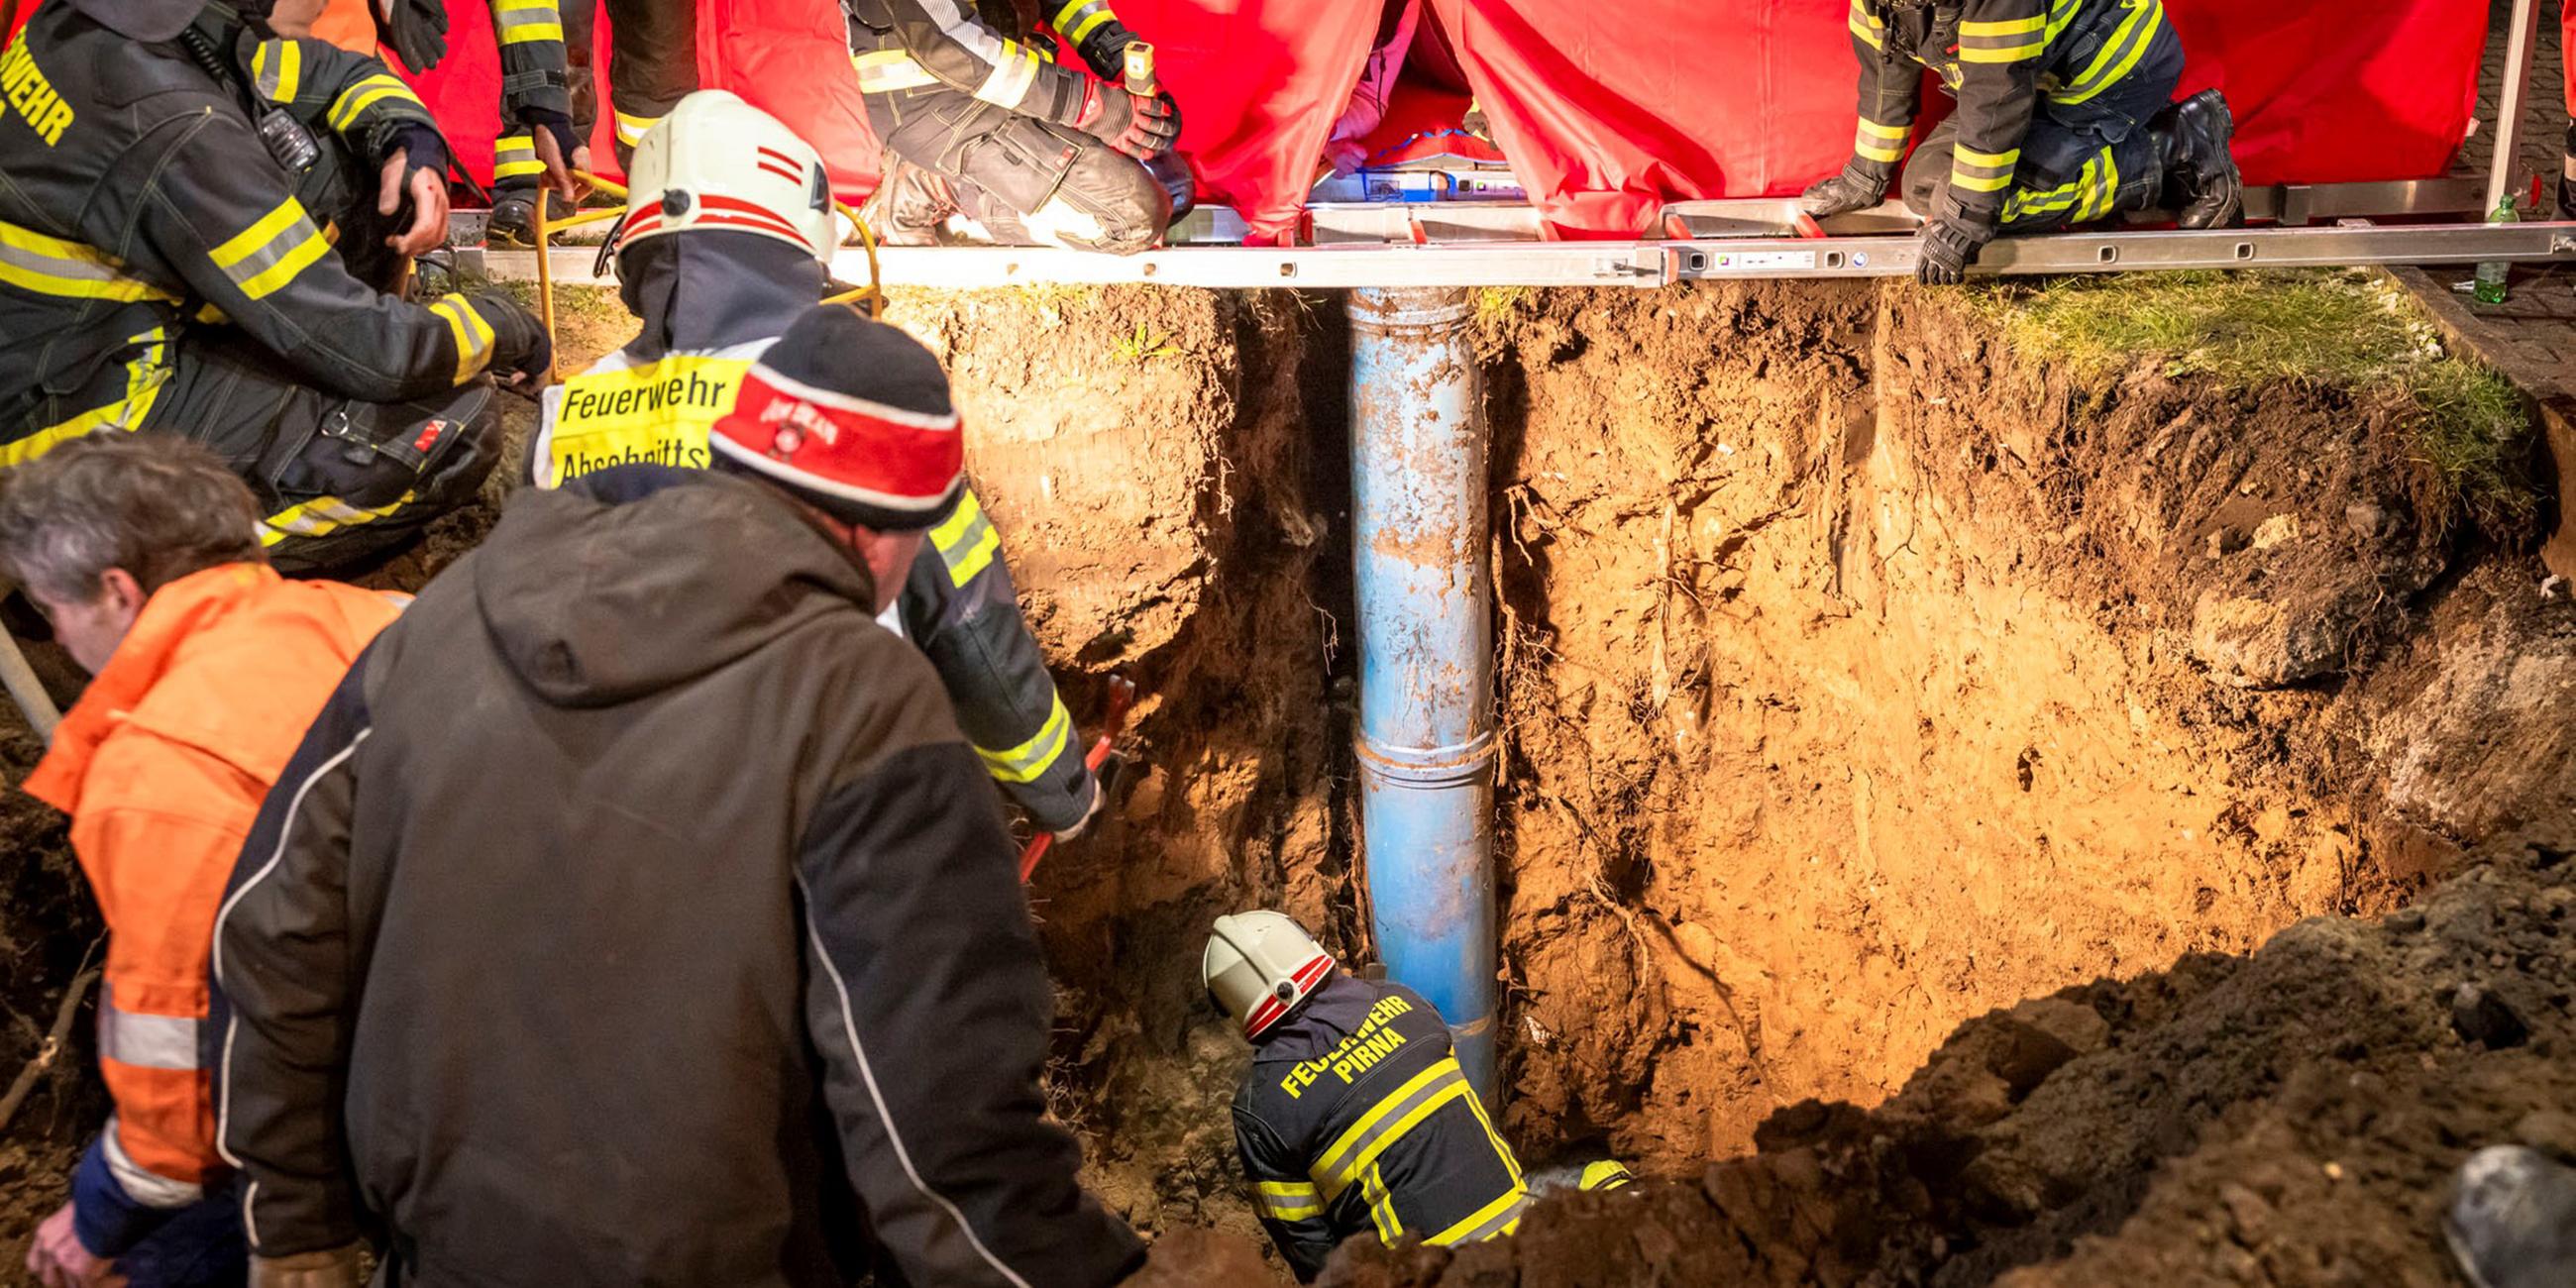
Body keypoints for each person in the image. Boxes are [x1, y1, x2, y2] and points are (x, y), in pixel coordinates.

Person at [210, 305, 1146, 1287]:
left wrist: (296, 1223)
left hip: (443, 1249)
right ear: (885, 533)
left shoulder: (445, 617)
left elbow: (274, 931)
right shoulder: (862, 702)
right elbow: (938, 1120)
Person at [525, 90, 1106, 839]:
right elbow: (973, 640)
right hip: (816, 830)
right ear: (796, 241)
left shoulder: (567, 414)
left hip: (611, 827)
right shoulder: (848, 410)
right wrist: (1065, 793)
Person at [1, 434, 405, 1288]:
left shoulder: (157, 772)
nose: (60, 639)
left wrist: (102, 1213)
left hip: (370, 1090)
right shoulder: (393, 617)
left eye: (51, 610)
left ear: (116, 592)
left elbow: (181, 1063)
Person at [0, 0, 550, 572]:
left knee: (341, 164)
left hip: (65, 356)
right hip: (70, 432)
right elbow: (371, 350)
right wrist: (505, 326)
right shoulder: (177, 120)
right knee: (450, 431)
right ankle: (91, 563)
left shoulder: (115, 24)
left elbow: (335, 73)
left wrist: (411, 140)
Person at [1799, 0, 2243, 284]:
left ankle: (2170, 150)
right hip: (2033, 82)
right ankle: (2158, 145)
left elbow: (1995, 103)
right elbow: (1886, 76)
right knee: (1925, 184)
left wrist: (1967, 221)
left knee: (1990, 205)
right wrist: (1865, 177)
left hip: (2110, 77)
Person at [1211, 911, 1538, 1281]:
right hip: (1526, 1247)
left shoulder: (1262, 1109)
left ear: (1235, 1006)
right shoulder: (1406, 1003)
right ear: (1309, 947)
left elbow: (1311, 1252)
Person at [845, 0, 1183, 254]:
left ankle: (966, 186)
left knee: (1173, 185)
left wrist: (1115, 55)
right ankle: (932, 183)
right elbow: (949, 46)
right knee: (1132, 219)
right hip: (936, 110)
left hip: (1009, 93)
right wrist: (1095, 107)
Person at [312, 0, 590, 249]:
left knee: (397, 175)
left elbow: (525, 10)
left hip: (342, 66)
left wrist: (546, 113)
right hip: (299, 98)